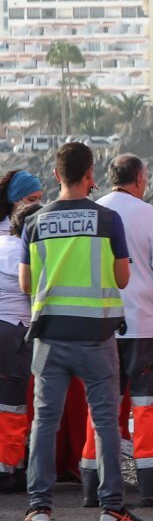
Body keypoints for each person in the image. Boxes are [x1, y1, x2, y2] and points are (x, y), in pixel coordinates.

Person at [20, 142, 143, 521]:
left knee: (44, 422)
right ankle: (111, 510)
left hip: (50, 336)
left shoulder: (34, 222)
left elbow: (27, 284)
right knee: (106, 422)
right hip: (96, 337)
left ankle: (39, 509)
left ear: (56, 175)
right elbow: (123, 278)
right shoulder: (108, 221)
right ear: (90, 175)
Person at [81, 155, 153, 508]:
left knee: (102, 407)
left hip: (100, 325)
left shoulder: (92, 212)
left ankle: (93, 485)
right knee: (149, 408)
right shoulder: (151, 216)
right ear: (139, 178)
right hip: (145, 327)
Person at [0, 203, 40, 494]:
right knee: (12, 402)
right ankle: (8, 469)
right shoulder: (23, 253)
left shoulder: (2, 243)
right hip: (13, 330)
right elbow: (38, 289)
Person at [0, 170, 43, 234]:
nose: (38, 203)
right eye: (32, 199)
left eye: (40, 198)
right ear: (15, 199)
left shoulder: (43, 227)